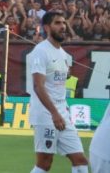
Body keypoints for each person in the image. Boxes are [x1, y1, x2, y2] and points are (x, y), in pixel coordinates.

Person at [28, 11, 88, 173]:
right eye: (57, 23)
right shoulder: (41, 51)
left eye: (63, 23)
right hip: (46, 114)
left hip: (63, 114)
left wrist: (61, 112)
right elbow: (38, 86)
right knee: (44, 163)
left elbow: (56, 83)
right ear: (47, 27)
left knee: (80, 160)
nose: (62, 26)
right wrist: (54, 113)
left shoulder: (64, 55)